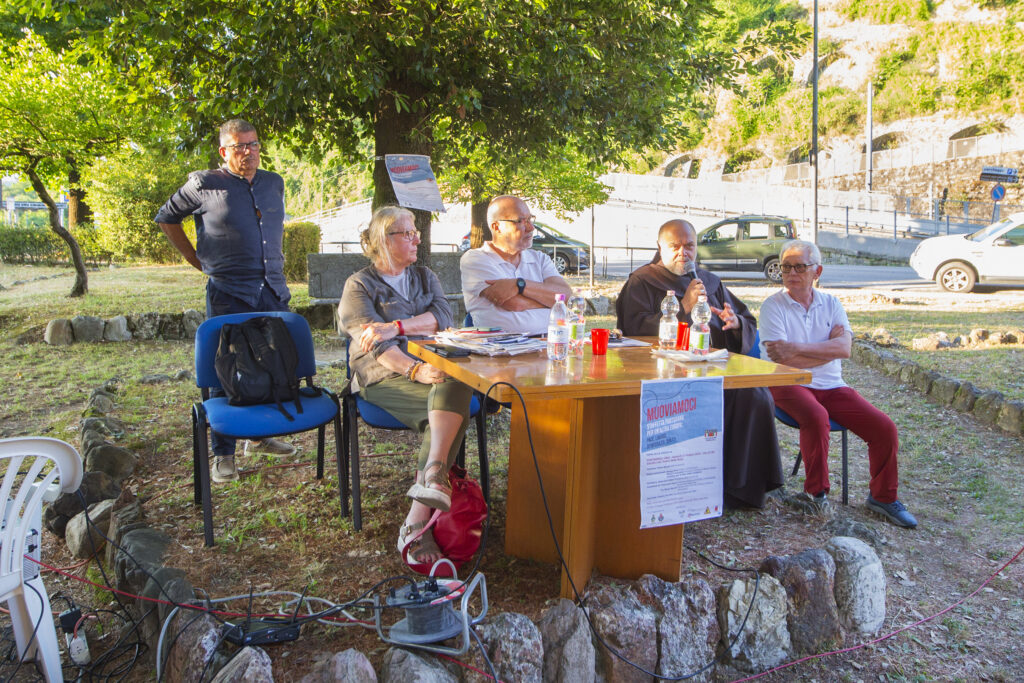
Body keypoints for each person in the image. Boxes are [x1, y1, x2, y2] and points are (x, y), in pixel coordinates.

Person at [155, 118, 295, 484]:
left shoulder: (273, 183)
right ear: (224, 151)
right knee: (226, 369)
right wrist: (194, 259)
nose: (247, 152)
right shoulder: (204, 184)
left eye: (253, 144)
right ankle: (223, 454)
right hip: (229, 291)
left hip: (273, 290)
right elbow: (167, 218)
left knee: (269, 362)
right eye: (239, 146)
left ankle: (259, 437)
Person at [616, 219, 783, 509]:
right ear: (660, 247)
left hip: (712, 368)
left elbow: (745, 319)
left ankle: (740, 489)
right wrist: (683, 308)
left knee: (755, 396)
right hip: (664, 374)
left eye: (689, 246)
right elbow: (633, 329)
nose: (683, 253)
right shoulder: (642, 281)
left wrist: (734, 324)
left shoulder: (710, 281)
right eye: (675, 246)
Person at [339, 206, 474, 564]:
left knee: (455, 382)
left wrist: (397, 327)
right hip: (382, 377)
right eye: (407, 233)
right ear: (385, 239)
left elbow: (445, 315)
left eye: (415, 231)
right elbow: (377, 347)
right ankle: (421, 515)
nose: (417, 238)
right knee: (447, 411)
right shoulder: (359, 285)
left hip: (431, 369)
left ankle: (425, 494)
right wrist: (415, 371)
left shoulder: (425, 277)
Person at [759, 240, 918, 528]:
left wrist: (797, 351)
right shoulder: (773, 306)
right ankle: (816, 494)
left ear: (817, 271)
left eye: (799, 266)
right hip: (785, 382)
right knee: (817, 417)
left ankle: (882, 497)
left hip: (832, 386)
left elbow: (844, 350)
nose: (791, 272)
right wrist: (825, 349)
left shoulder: (832, 303)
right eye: (786, 267)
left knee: (884, 428)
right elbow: (779, 359)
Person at [461, 195, 572, 333]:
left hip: (549, 345)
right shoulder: (476, 259)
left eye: (530, 219)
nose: (531, 228)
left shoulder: (540, 258)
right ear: (497, 227)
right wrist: (551, 303)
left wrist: (519, 285)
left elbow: (566, 297)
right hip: (500, 349)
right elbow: (513, 303)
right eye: (520, 221)